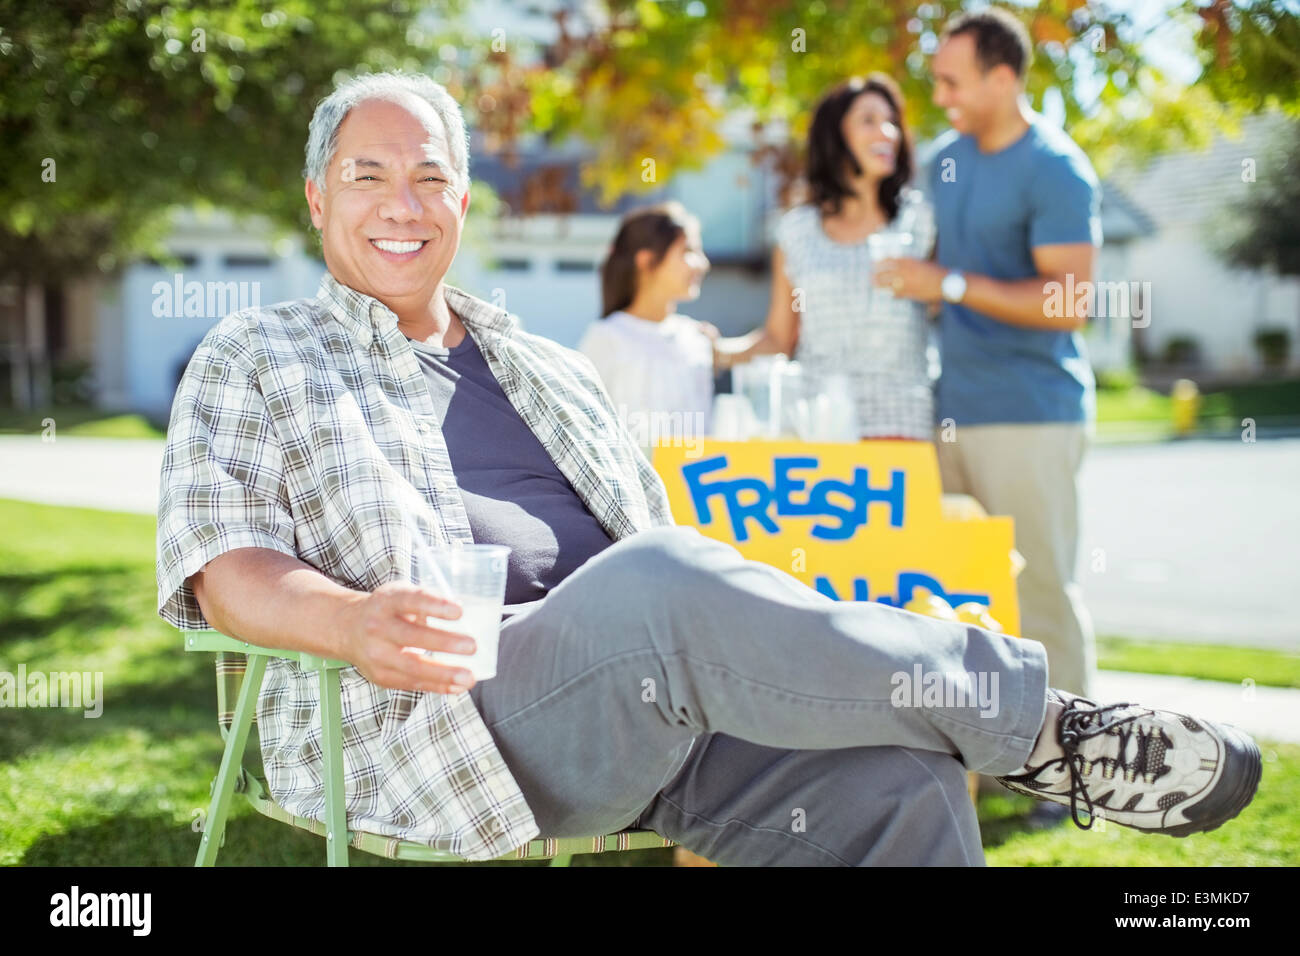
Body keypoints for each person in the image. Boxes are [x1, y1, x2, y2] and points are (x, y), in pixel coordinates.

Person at [156, 70, 1261, 867]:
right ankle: (1048, 731)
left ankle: (1004, 731)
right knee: (658, 586)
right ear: (317, 200)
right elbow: (223, 564)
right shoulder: (257, 354)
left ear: (460, 203)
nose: (401, 201)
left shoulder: (542, 365)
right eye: (368, 175)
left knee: (903, 782)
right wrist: (350, 622)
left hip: (656, 709)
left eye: (429, 177)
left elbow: (660, 558)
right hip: (431, 718)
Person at [873, 8, 1099, 701]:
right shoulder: (945, 160)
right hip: (948, 408)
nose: (940, 98)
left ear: (1003, 78)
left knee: (1037, 589)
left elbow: (1070, 302)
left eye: (952, 82)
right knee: (952, 584)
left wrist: (950, 284)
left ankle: (1072, 762)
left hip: (1029, 411)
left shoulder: (1056, 167)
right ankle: (992, 753)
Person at [714, 73, 935, 441]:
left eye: (892, 122)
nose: (888, 133)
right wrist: (718, 351)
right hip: (819, 432)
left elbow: (949, 307)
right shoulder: (796, 232)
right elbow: (779, 338)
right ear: (835, 136)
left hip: (902, 430)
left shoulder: (921, 221)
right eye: (868, 120)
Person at [577, 202, 717, 456]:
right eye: (689, 251)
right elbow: (583, 430)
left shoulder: (696, 337)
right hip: (631, 492)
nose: (702, 263)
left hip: (692, 488)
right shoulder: (607, 337)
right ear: (647, 260)